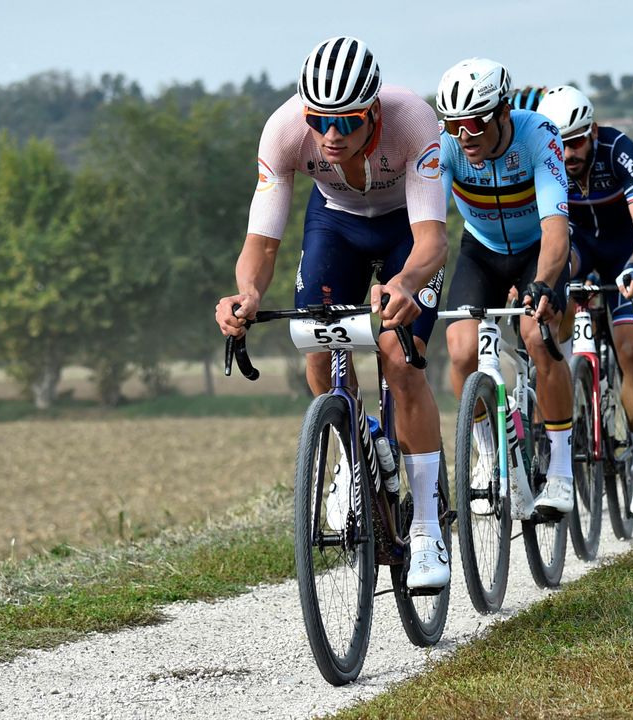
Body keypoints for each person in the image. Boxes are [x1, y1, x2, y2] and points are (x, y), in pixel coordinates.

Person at [214, 37, 451, 588]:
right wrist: (246, 294)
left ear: (372, 112)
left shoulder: (413, 119)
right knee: (317, 347)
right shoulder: (284, 130)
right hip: (336, 223)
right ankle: (353, 447)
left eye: (346, 122)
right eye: (320, 121)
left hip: (406, 233)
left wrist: (405, 283)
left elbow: (433, 241)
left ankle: (425, 528)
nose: (331, 136)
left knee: (398, 356)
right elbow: (263, 242)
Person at [436, 57, 577, 515]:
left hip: (537, 250)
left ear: (501, 112)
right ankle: (486, 453)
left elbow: (557, 227)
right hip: (481, 251)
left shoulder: (539, 134)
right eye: (454, 124)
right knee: (460, 349)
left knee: (538, 336)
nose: (464, 136)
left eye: (474, 123)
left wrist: (542, 284)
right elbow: (430, 225)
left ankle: (560, 471)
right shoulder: (449, 147)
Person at [535, 85, 633, 515]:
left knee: (630, 350)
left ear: (591, 132)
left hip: (624, 255)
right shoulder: (546, 158)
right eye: (558, 144)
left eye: (574, 142)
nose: (566, 153)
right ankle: (565, 374)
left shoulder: (617, 149)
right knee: (557, 294)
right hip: (579, 250)